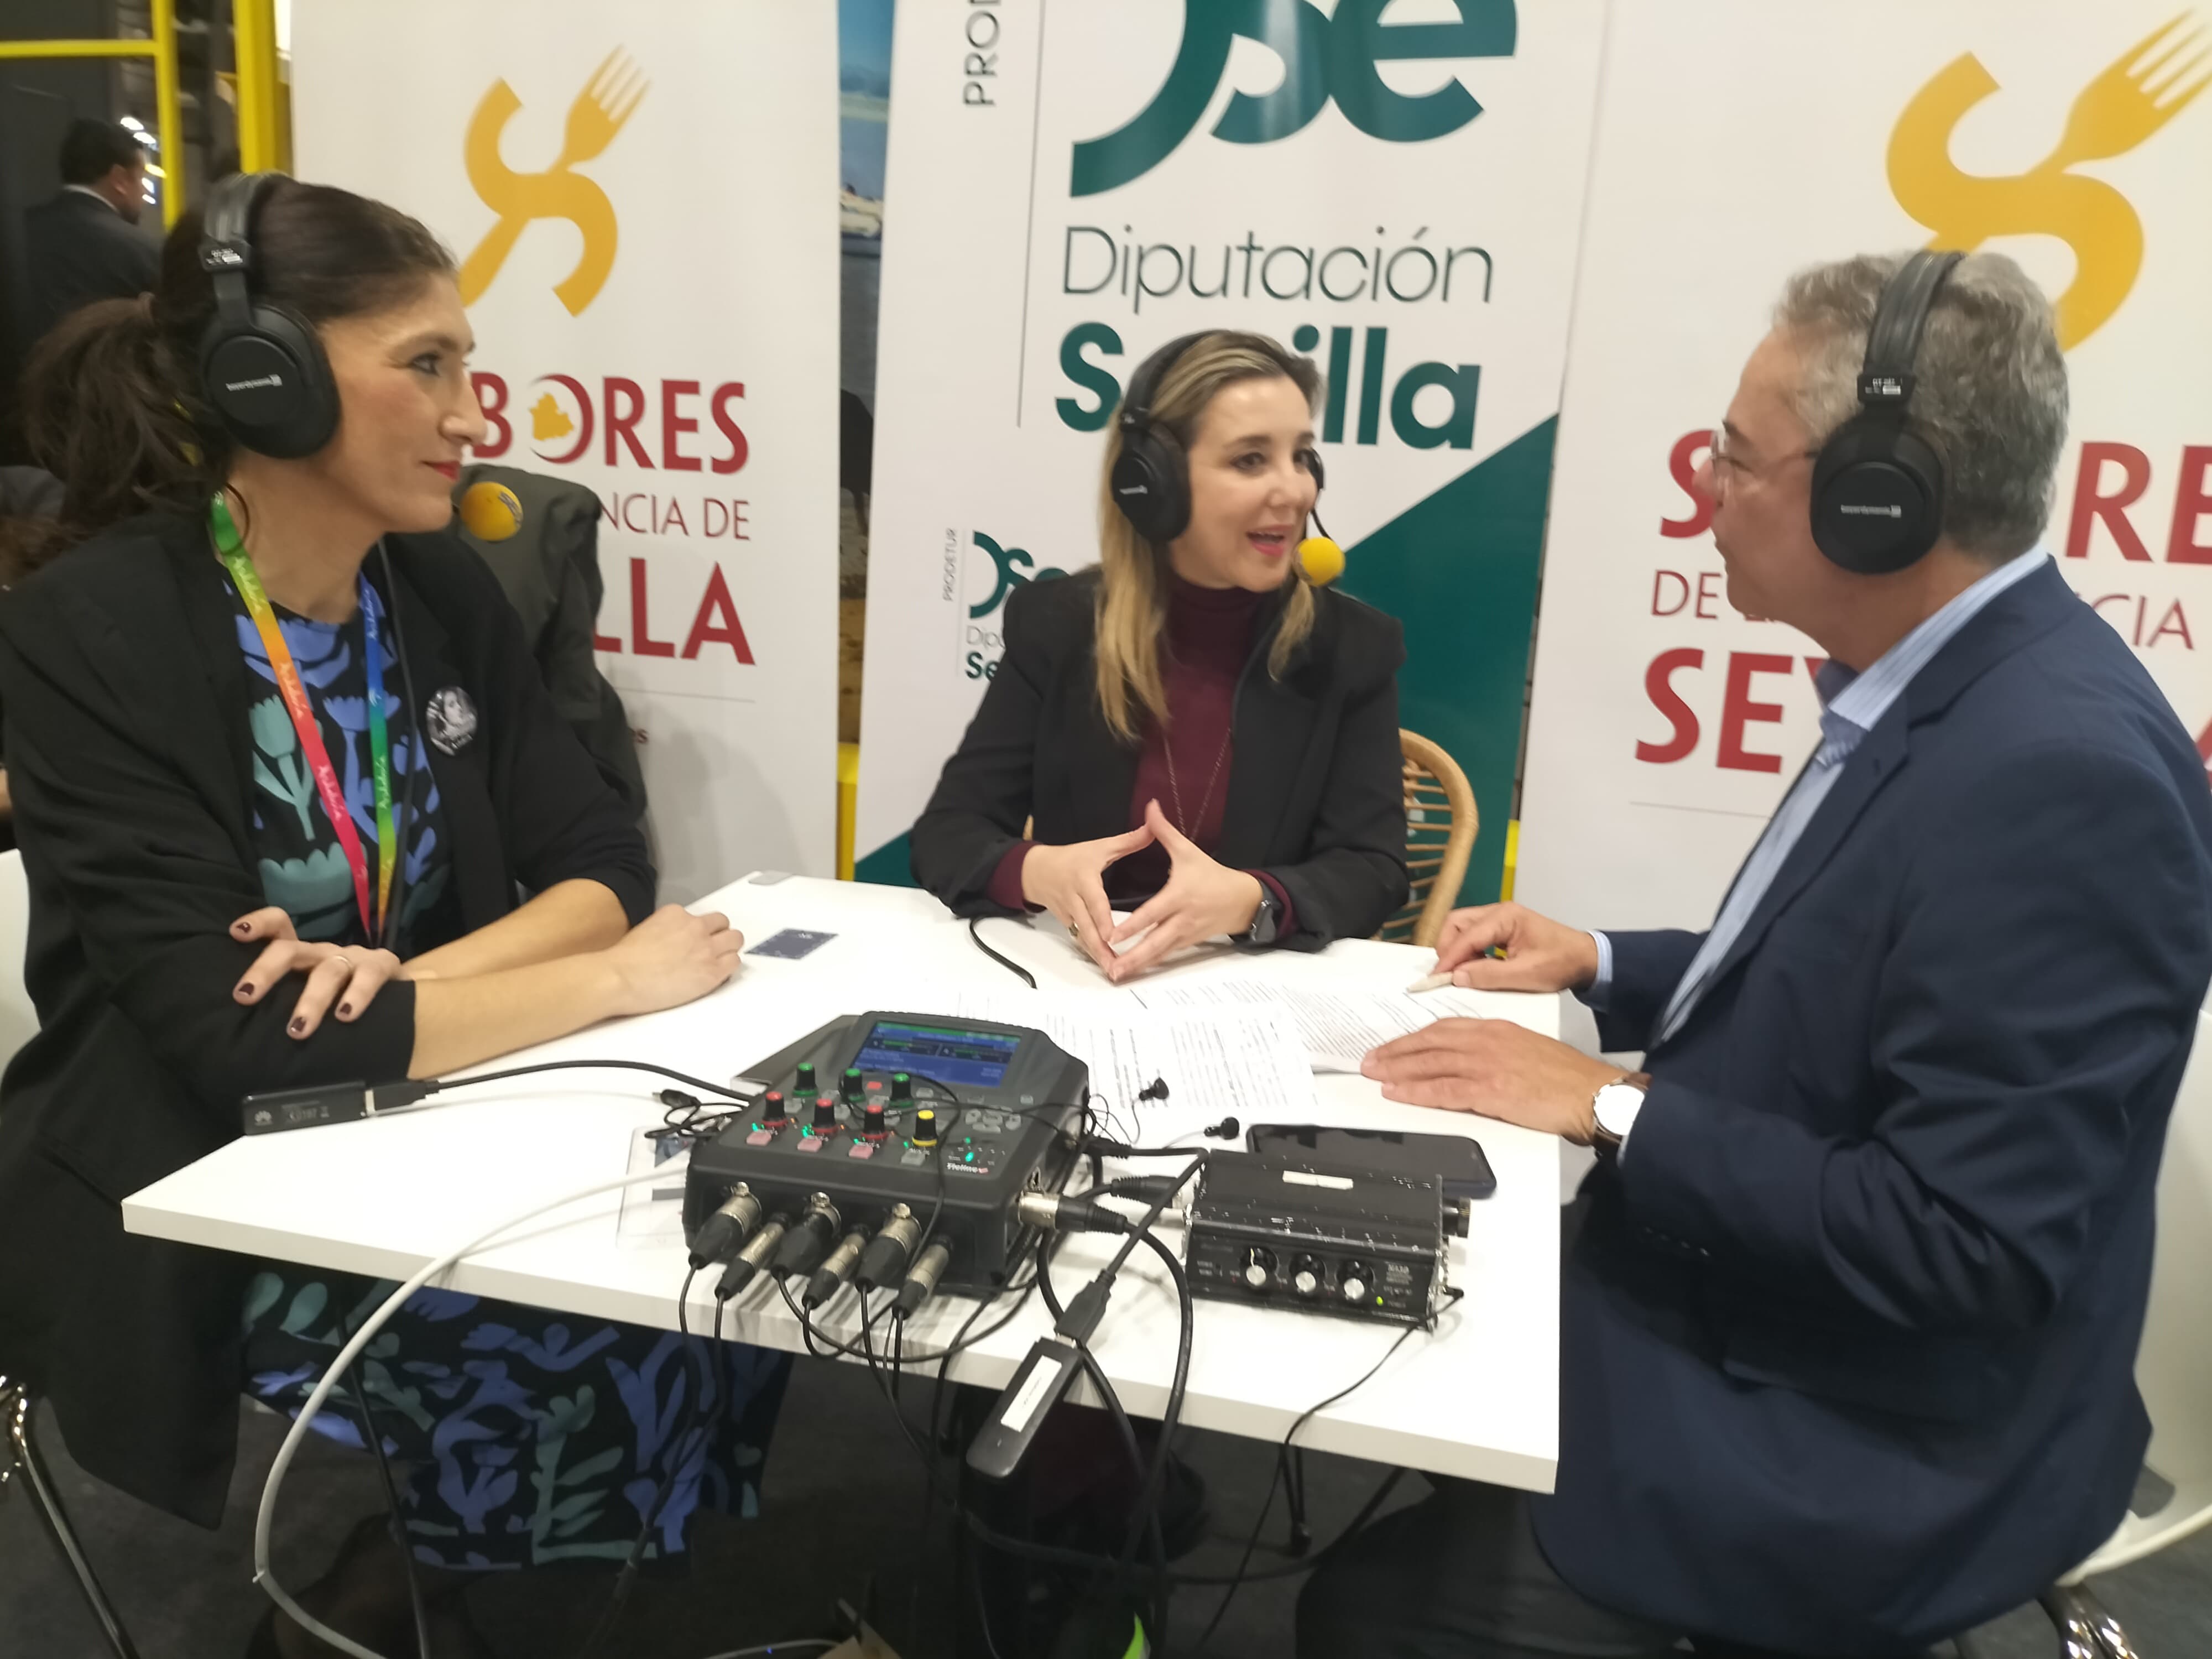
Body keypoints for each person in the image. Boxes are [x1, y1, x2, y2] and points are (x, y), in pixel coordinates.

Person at [1299, 251, 2212, 1658]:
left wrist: (1607, 1104)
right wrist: (1595, 958)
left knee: (1368, 1604)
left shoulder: (2054, 777)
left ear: (1876, 495)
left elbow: (1963, 1244)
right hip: (1779, 1308)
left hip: (1862, 1445)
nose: (1703, 491)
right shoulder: (1954, 692)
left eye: (1732, 454)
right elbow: (1836, 983)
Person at [0, 174, 785, 1658]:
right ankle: (409, 1603)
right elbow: (242, 1048)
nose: (474, 411)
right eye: (427, 364)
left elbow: (600, 861)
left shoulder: (438, 591)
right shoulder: (85, 636)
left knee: (722, 1271)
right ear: (265, 377)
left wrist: (420, 984)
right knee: (566, 1344)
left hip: (426, 1100)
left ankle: (443, 1576)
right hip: (194, 1169)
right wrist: (609, 986)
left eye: (466, 366)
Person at [910, 330, 1408, 979]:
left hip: (1248, 991)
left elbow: (1372, 870)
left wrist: (1248, 899)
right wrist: (1042, 871)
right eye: (1251, 460)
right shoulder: (1058, 625)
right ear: (1154, 483)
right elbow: (948, 834)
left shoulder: (1350, 649)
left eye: (1301, 456)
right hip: (1078, 984)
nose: (1295, 491)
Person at [20, 118, 160, 348]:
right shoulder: (140, 250)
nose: (144, 189)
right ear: (120, 180)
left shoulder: (19, 231)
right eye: (141, 176)